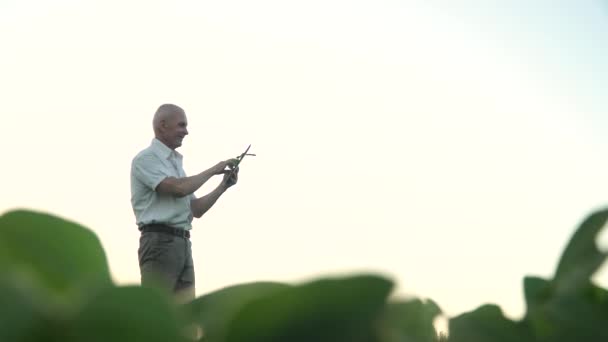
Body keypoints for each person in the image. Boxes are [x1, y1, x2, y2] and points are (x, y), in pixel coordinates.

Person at [130, 103, 238, 302]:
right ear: (163, 125)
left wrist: (223, 185)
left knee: (185, 317)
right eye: (181, 125)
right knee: (159, 311)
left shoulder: (174, 164)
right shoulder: (146, 159)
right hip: (159, 242)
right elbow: (179, 189)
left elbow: (196, 209)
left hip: (182, 243)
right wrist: (213, 170)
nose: (186, 132)